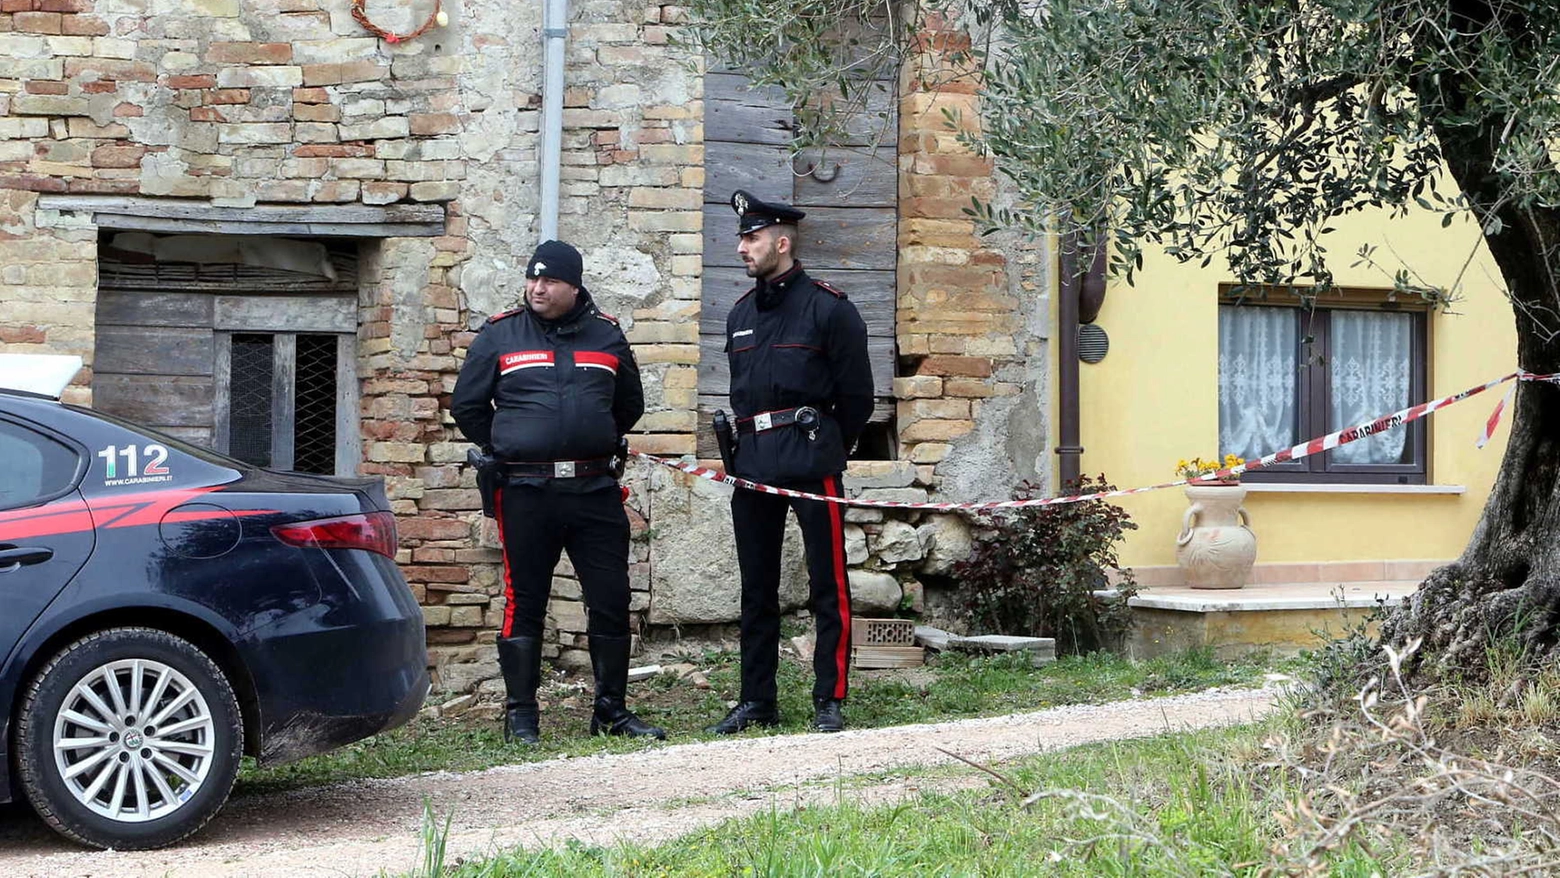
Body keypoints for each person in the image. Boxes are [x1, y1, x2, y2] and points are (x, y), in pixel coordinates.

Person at [451, 239, 664, 744]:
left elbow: (628, 405)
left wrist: (590, 437)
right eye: (532, 278)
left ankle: (611, 711)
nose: (537, 288)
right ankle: (521, 716)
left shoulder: (607, 336)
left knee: (610, 598)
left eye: (549, 281)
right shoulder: (501, 334)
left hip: (594, 489)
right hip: (525, 490)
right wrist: (511, 442)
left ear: (574, 286)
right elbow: (468, 406)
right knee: (524, 600)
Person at [709, 190, 874, 735]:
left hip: (810, 460)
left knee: (828, 584)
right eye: (740, 237)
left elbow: (857, 400)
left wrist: (831, 445)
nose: (741, 247)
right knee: (756, 589)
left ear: (781, 241)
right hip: (752, 462)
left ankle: (830, 696)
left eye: (751, 237)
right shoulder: (739, 314)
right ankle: (757, 699)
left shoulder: (830, 308)